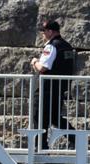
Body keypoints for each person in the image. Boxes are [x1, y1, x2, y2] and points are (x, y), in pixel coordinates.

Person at [30, 19, 76, 150]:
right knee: (55, 118)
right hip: (59, 88)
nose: (42, 35)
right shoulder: (67, 46)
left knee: (38, 117)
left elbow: (42, 67)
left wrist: (34, 62)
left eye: (44, 32)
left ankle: (40, 147)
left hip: (47, 89)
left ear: (50, 31)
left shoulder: (51, 46)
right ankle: (77, 139)